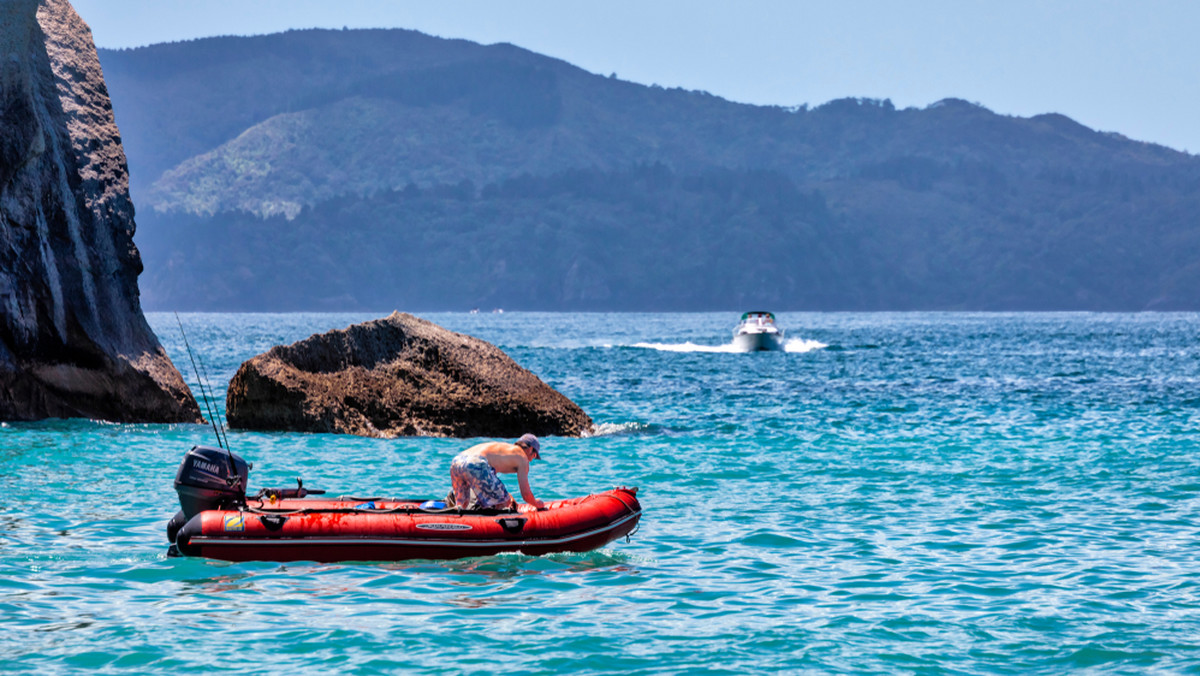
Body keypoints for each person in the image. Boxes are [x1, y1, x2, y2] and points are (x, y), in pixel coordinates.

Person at [448, 433, 545, 510]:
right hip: (476, 463)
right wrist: (536, 504)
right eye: (535, 456)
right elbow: (526, 495)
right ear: (531, 449)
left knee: (463, 504)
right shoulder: (523, 458)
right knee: (505, 503)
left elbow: (489, 482)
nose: (532, 460)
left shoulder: (505, 449)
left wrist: (504, 495)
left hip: (457, 461)